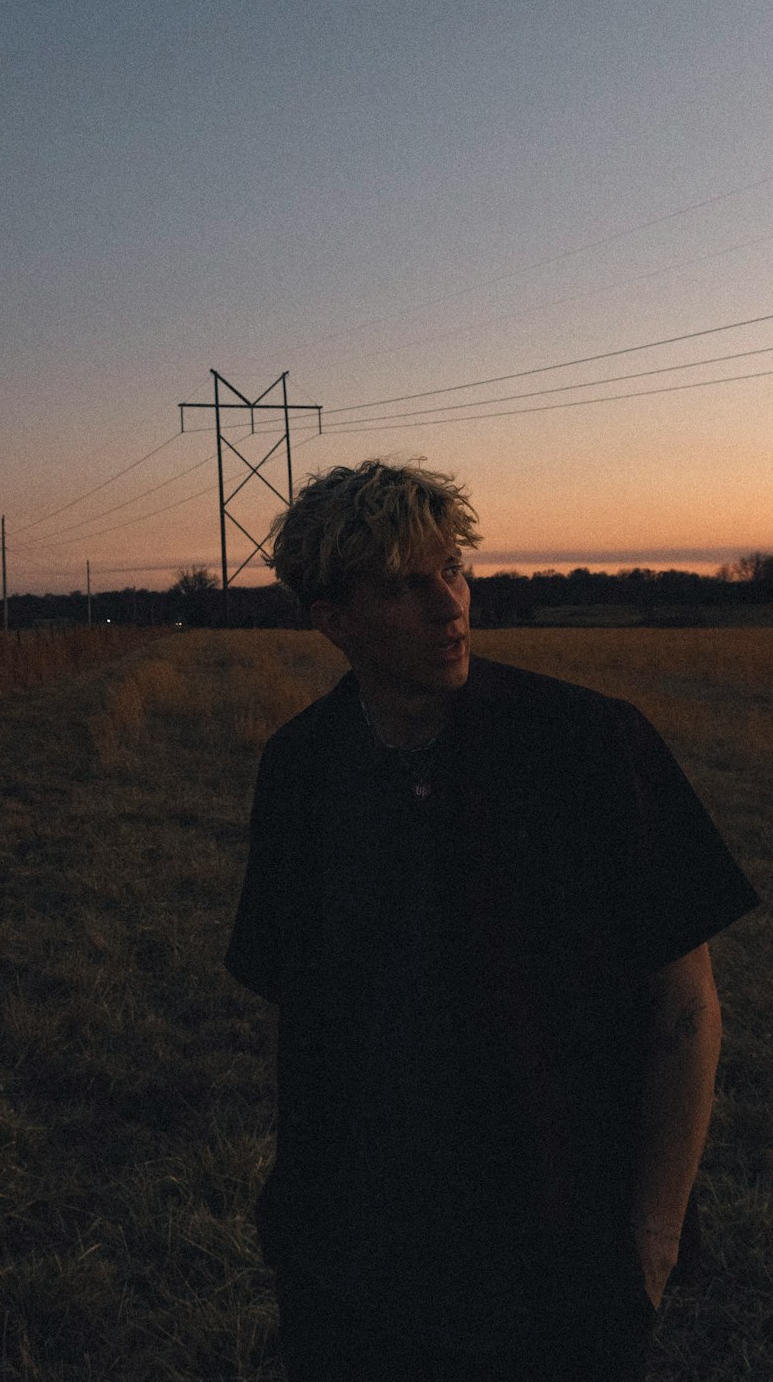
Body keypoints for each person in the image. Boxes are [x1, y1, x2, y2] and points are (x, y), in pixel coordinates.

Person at [224, 460, 761, 1382]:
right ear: (333, 620)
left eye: (454, 569)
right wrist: (303, 1226)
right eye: (406, 584)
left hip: (562, 1260)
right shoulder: (302, 769)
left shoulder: (591, 747)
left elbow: (686, 1014)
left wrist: (653, 1243)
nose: (450, 605)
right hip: (363, 1263)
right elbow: (297, 1020)